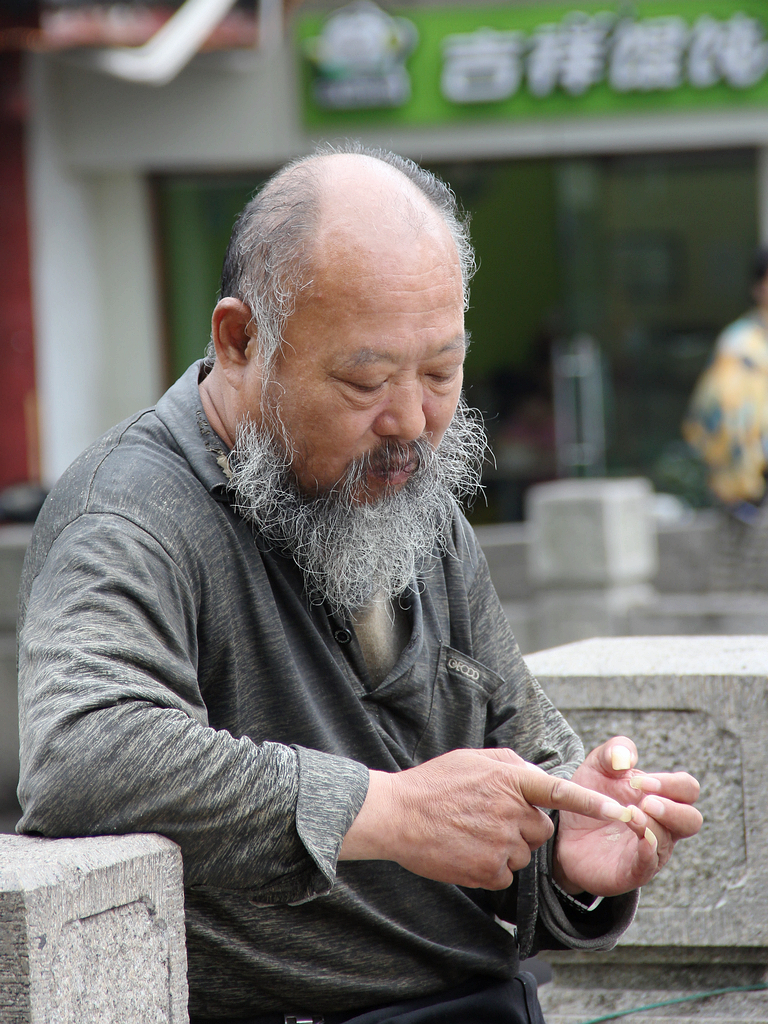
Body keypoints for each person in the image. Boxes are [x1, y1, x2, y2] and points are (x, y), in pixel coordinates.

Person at [16, 145, 702, 1024]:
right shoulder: (128, 512)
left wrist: (571, 841)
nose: (412, 422)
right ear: (239, 340)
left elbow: (520, 754)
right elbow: (83, 753)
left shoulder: (414, 492)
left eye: (442, 372)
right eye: (366, 380)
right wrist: (389, 809)